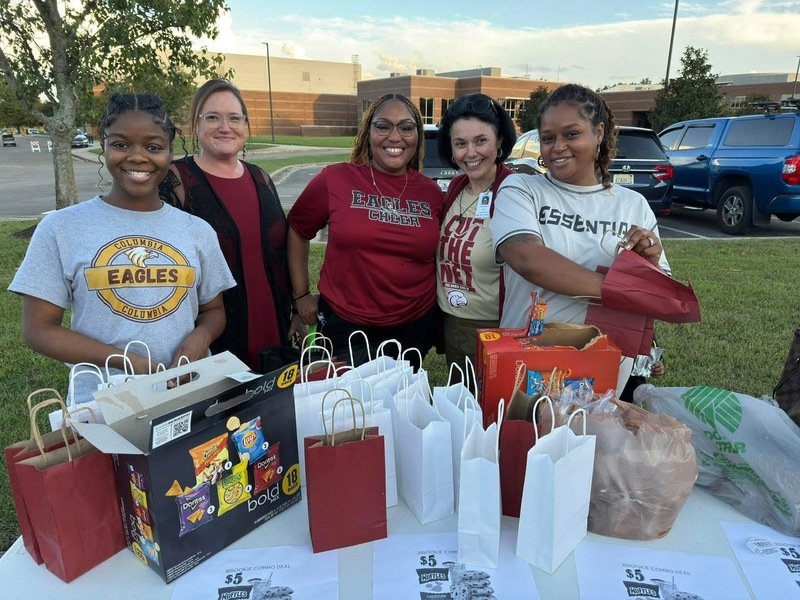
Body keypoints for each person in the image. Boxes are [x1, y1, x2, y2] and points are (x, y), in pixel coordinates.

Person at [9, 92, 236, 403]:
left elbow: (214, 311)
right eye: (121, 144)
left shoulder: (197, 231)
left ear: (170, 153)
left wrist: (200, 338)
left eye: (153, 147)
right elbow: (39, 329)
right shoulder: (62, 229)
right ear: (103, 147)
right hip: (102, 405)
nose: (138, 156)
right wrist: (127, 360)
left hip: (186, 394)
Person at [490, 84, 671, 385]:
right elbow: (526, 258)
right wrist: (620, 291)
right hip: (529, 358)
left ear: (598, 133)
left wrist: (648, 262)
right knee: (525, 431)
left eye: (571, 134)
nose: (558, 147)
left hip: (605, 362)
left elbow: (656, 293)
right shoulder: (522, 189)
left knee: (596, 430)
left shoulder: (632, 205)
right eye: (548, 138)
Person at [288, 93, 444, 369]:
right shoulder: (335, 179)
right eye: (383, 126)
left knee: (402, 404)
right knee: (345, 406)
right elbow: (298, 231)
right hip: (346, 323)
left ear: (417, 136)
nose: (395, 137)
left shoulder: (430, 192)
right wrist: (300, 294)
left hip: (414, 324)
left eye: (406, 128)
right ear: (368, 132)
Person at [159, 79, 300, 371]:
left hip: (272, 320)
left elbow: (281, 250)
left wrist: (297, 307)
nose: (225, 126)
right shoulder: (176, 180)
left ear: (245, 125)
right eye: (212, 117)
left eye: (234, 118)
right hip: (213, 332)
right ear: (195, 125)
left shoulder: (261, 178)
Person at [436, 93, 516, 370]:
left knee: (494, 409)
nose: (470, 153)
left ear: (500, 141)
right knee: (459, 403)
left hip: (496, 328)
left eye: (481, 140)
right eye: (460, 144)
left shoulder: (516, 192)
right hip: (451, 322)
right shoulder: (456, 188)